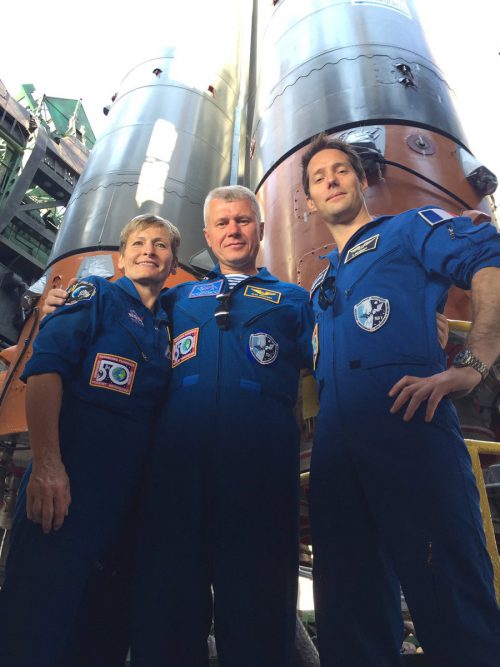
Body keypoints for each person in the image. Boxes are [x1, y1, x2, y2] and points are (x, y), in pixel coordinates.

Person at [301, 133, 500, 667]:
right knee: (349, 614)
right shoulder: (319, 288)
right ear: (310, 201)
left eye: (340, 170)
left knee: (453, 601)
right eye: (319, 178)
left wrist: (474, 363)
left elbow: (489, 255)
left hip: (412, 431)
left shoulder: (410, 230)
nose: (331, 181)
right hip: (338, 459)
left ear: (362, 181)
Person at [130, 185, 314, 667]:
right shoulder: (178, 299)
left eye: (244, 220)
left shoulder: (294, 300)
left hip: (259, 469)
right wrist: (56, 307)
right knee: (169, 602)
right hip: (178, 467)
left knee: (259, 603)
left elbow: (334, 354)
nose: (234, 230)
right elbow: (120, 327)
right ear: (208, 236)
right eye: (223, 223)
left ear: (259, 228)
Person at [0, 214, 180, 667]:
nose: (148, 250)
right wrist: (47, 466)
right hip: (64, 489)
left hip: (121, 506)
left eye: (160, 245)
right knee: (35, 624)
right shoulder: (96, 295)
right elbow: (45, 371)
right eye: (138, 242)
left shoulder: (165, 329)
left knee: (97, 633)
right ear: (121, 257)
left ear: (172, 262)